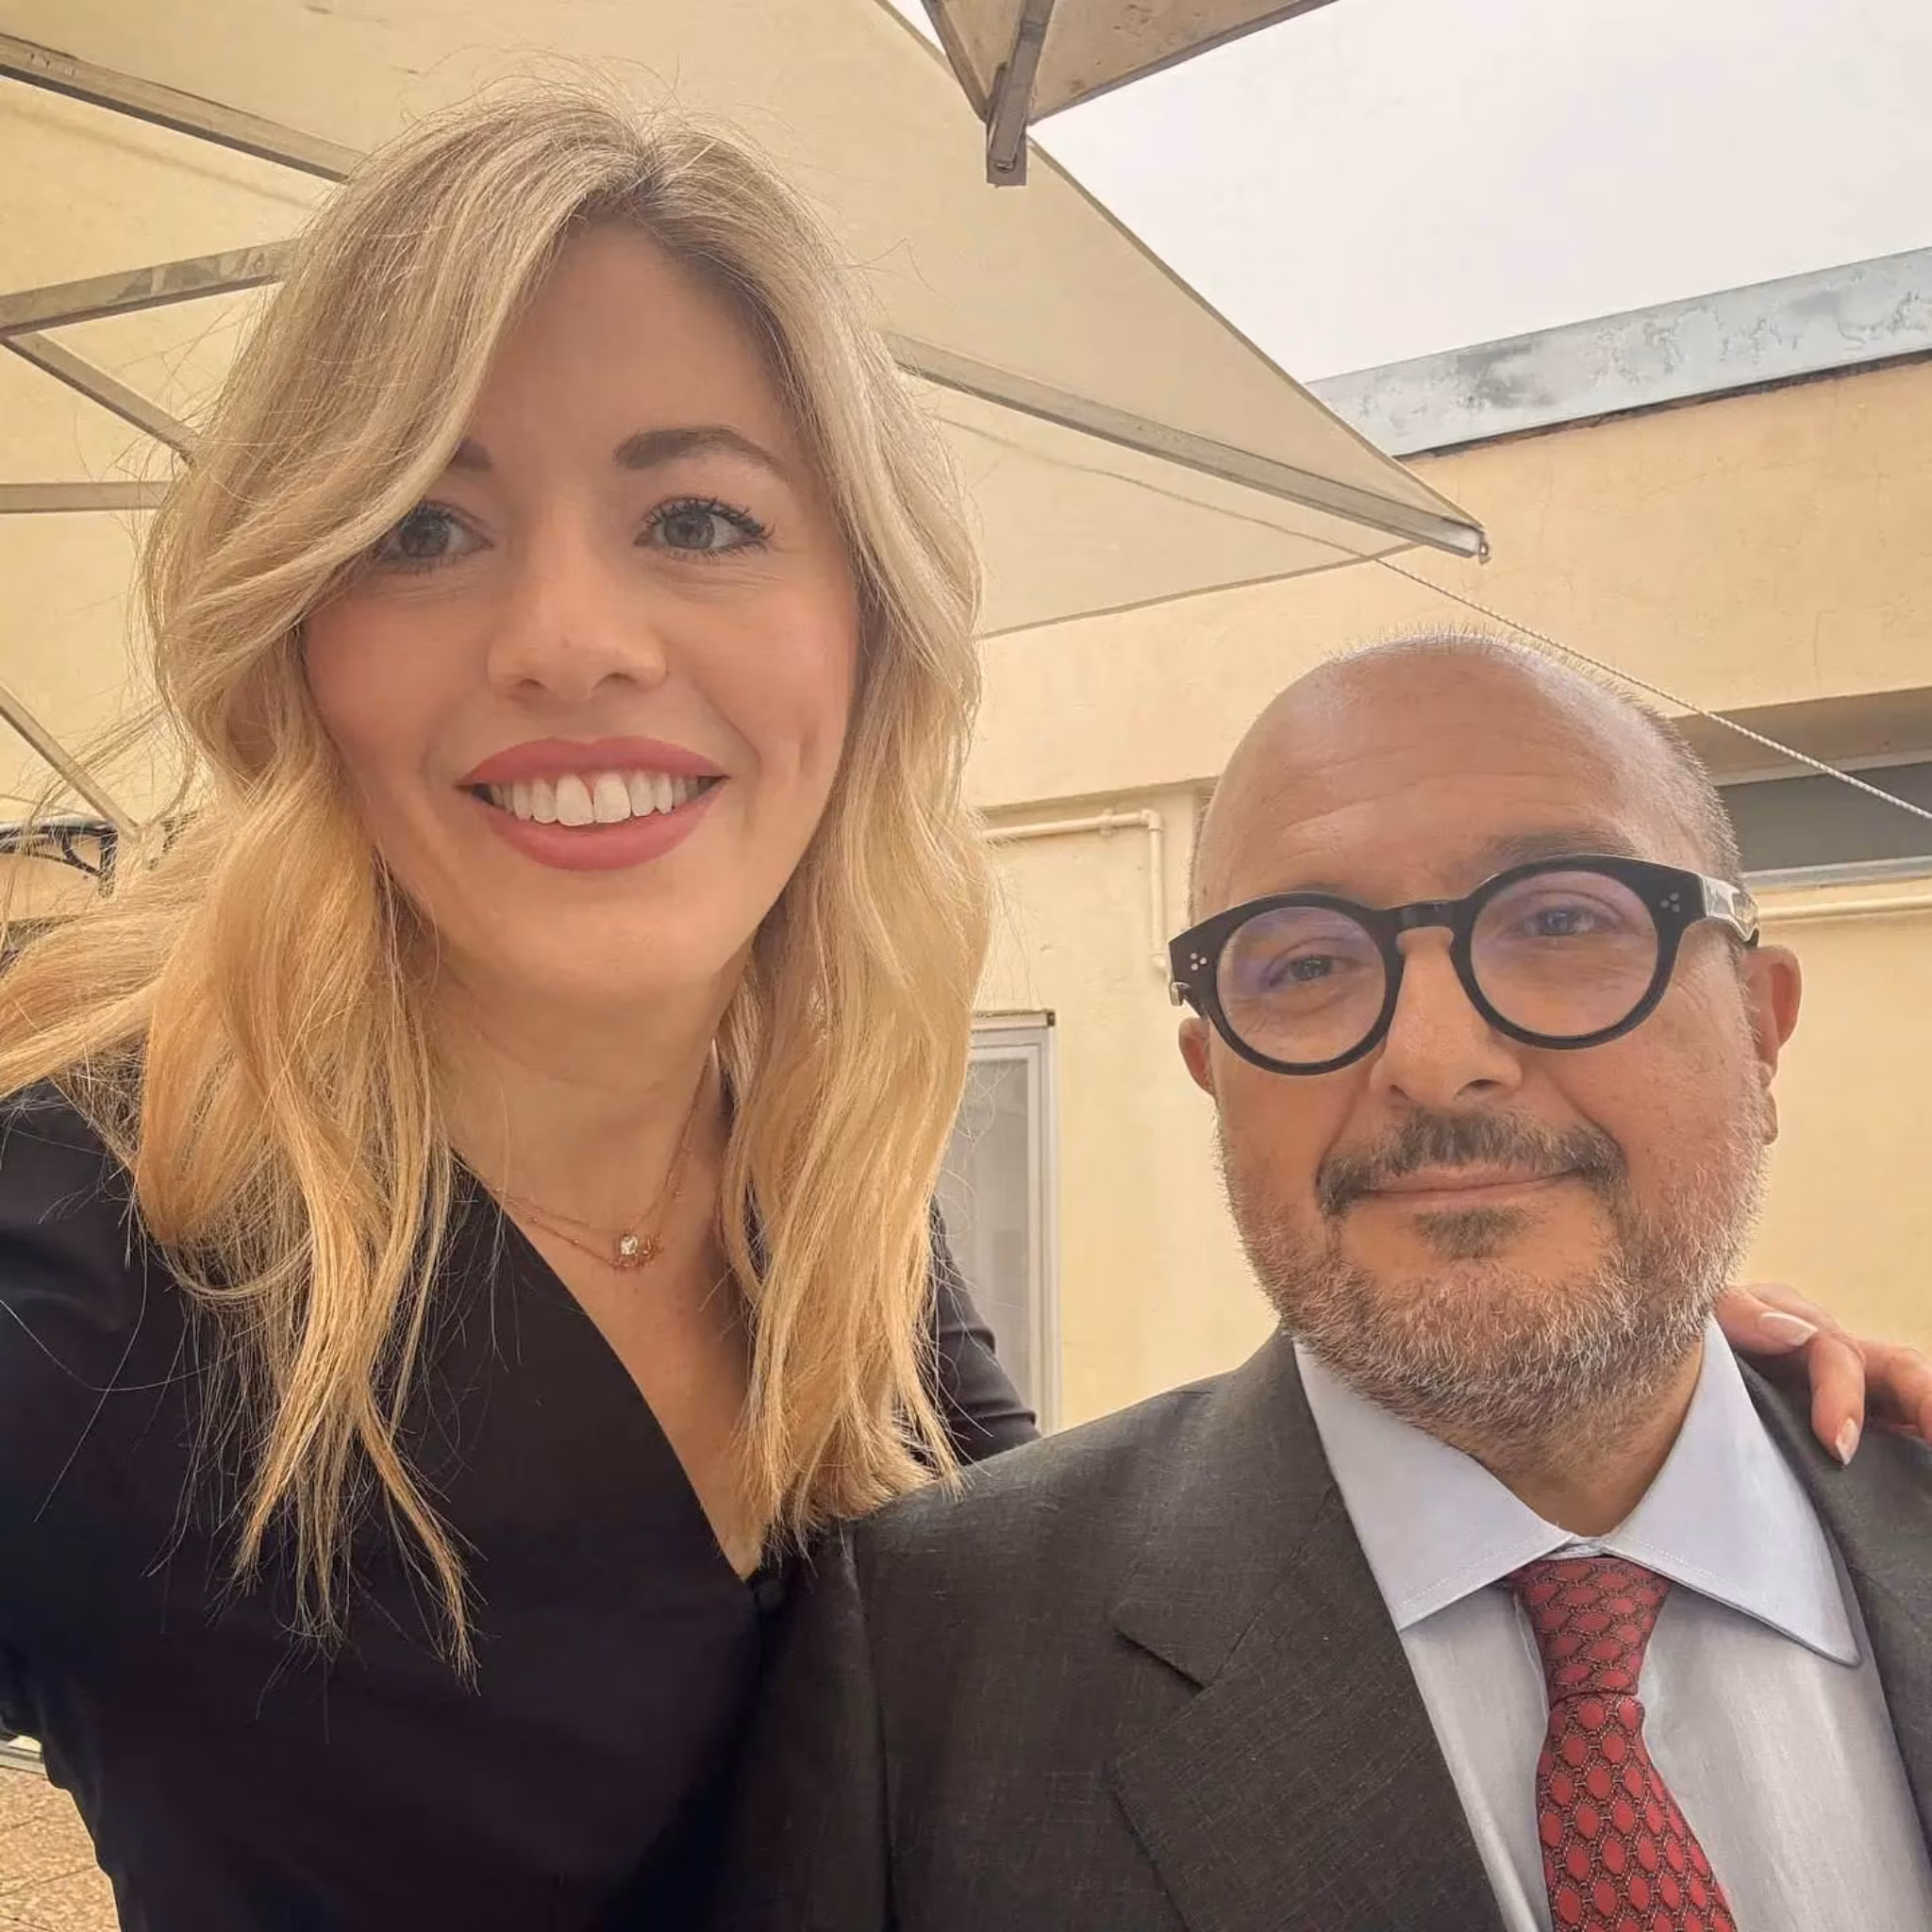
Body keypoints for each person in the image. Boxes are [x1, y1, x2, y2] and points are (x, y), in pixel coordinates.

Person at [0, 89, 1036, 1932]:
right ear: (300, 641)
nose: (569, 638)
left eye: (698, 518)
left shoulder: (823, 1181)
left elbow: (1063, 1656)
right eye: (421, 528)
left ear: (866, 622)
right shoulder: (97, 1250)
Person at [715, 635, 1932, 1932]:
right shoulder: (929, 1666)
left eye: (1562, 921)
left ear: (1760, 1026)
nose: (1435, 1057)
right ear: (1215, 1078)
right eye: (1304, 964)